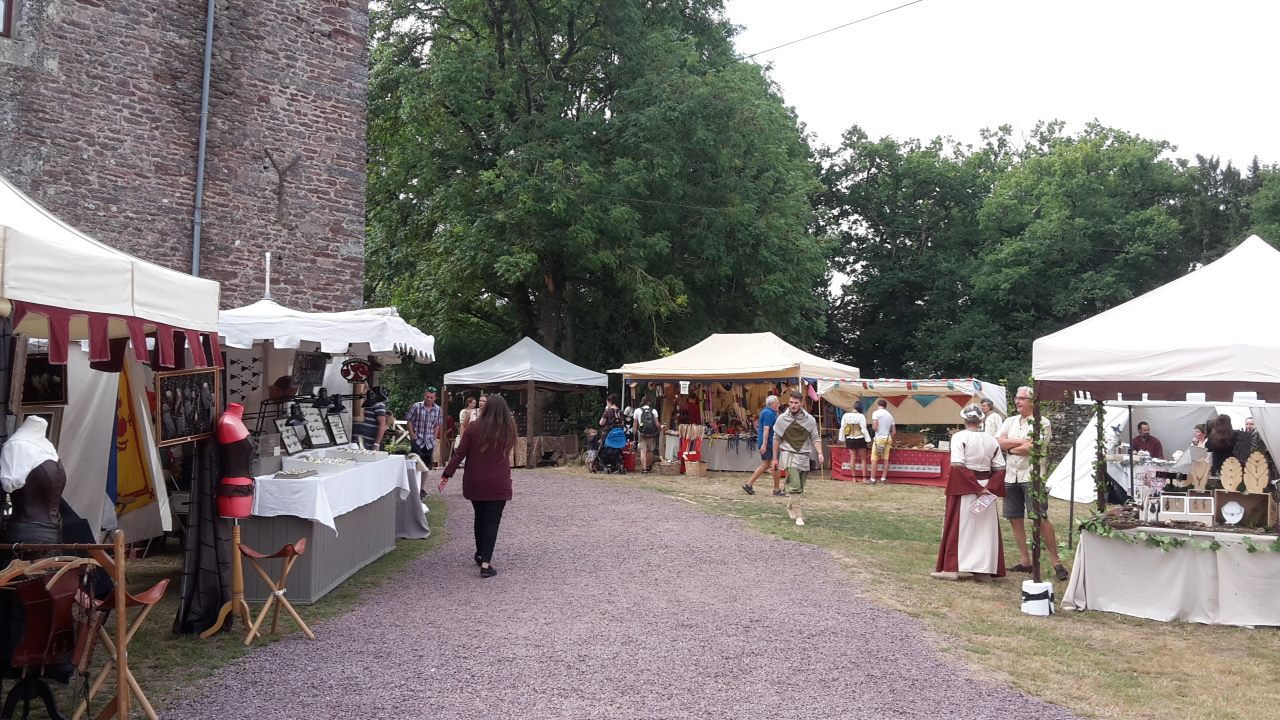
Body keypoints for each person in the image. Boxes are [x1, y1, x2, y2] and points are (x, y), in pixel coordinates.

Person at [439, 394, 516, 578]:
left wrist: (446, 474)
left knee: (479, 517)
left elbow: (459, 454)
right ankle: (485, 563)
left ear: (486, 408)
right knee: (492, 522)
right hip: (498, 483)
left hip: (476, 481)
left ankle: (480, 553)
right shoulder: (508, 429)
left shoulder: (474, 428)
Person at [997, 386, 1068, 581]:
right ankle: (1025, 560)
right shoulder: (1010, 421)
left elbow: (1032, 447)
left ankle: (1056, 561)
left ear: (1032, 402)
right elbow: (998, 442)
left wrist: (1010, 447)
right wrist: (1018, 442)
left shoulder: (1042, 422)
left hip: (1032, 476)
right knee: (1014, 517)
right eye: (1016, 398)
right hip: (1011, 475)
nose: (1017, 401)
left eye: (1022, 398)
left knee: (1039, 517)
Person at [934, 404, 1007, 581]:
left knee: (960, 526)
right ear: (981, 420)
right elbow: (1000, 468)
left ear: (964, 420)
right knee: (984, 529)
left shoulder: (959, 437)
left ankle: (951, 568)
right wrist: (988, 488)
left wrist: (977, 488)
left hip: (966, 488)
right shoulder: (991, 439)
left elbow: (958, 465)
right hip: (986, 487)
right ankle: (983, 570)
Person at [772, 390, 824, 526]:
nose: (793, 405)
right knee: (794, 485)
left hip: (804, 455)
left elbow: (815, 437)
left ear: (801, 403)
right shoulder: (782, 419)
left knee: (800, 487)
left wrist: (820, 452)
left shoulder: (810, 420)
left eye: (796, 403)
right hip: (788, 454)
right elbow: (776, 438)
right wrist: (774, 458)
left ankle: (790, 506)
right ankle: (799, 516)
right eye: (791, 402)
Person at [743, 395, 782, 496]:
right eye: (777, 402)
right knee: (774, 464)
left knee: (766, 464)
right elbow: (766, 429)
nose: (779, 404)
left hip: (768, 442)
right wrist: (764, 445)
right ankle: (776, 489)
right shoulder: (769, 413)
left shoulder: (766, 412)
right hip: (769, 443)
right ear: (773, 403)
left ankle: (749, 484)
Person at [406, 386, 444, 468]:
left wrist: (434, 438)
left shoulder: (438, 409)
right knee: (416, 463)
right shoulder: (416, 406)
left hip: (429, 441)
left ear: (435, 398)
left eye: (431, 397)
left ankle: (424, 480)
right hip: (418, 439)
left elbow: (437, 425)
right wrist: (412, 435)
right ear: (424, 396)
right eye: (427, 397)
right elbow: (409, 421)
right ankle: (414, 480)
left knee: (426, 466)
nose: (429, 399)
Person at [837, 401, 871, 482]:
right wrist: (868, 439)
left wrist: (842, 438)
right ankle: (864, 478)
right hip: (860, 438)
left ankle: (854, 478)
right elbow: (863, 428)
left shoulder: (846, 415)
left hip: (850, 439)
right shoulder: (861, 416)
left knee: (852, 459)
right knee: (863, 459)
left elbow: (842, 427)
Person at [869, 399, 896, 483]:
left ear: (878, 405)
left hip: (879, 438)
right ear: (885, 406)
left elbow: (874, 427)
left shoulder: (876, 413)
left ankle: (872, 479)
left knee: (874, 459)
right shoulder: (890, 416)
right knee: (885, 459)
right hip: (888, 439)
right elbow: (894, 432)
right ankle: (883, 478)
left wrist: (877, 430)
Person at [633, 396, 661, 473]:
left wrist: (634, 434)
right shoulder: (654, 411)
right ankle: (648, 466)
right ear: (649, 402)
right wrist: (660, 429)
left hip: (642, 434)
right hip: (651, 434)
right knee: (651, 451)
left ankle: (644, 469)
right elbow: (657, 424)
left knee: (643, 451)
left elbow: (635, 425)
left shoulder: (637, 411)